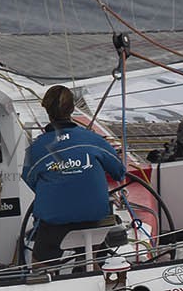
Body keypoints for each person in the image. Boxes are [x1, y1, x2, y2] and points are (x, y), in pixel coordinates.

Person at [22, 85, 127, 265]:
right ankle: (92, 267)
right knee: (92, 252)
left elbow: (30, 180)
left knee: (40, 263)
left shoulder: (35, 149)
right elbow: (119, 172)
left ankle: (45, 274)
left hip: (54, 224)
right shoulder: (94, 140)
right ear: (72, 109)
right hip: (94, 219)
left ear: (47, 111)